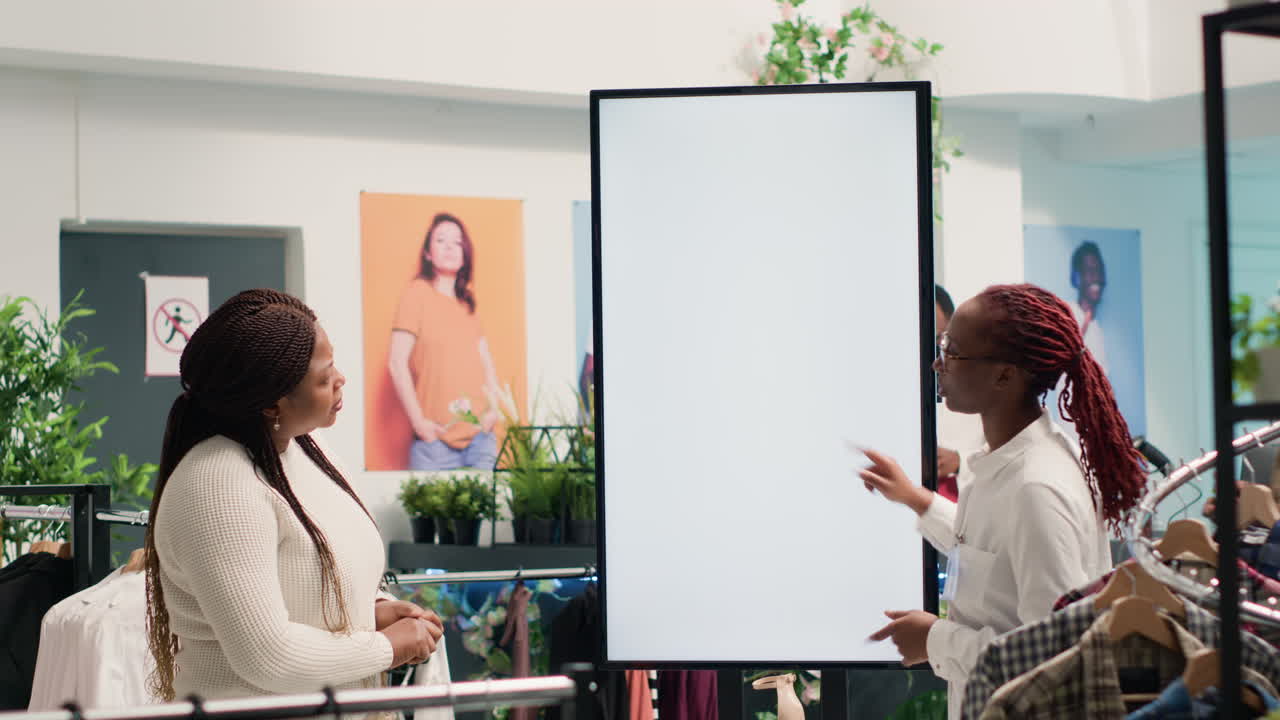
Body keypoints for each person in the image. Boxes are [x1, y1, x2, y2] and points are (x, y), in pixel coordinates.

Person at [860, 284, 1145, 720]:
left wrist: (935, 640)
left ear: (1005, 376)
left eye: (952, 352)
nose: (937, 363)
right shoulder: (1010, 464)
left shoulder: (1036, 488)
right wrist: (917, 499)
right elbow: (990, 556)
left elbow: (1053, 655)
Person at [143, 289, 443, 702]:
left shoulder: (308, 450)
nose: (340, 379)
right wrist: (387, 647)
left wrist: (368, 613)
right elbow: (267, 656)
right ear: (272, 404)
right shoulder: (217, 483)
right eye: (323, 376)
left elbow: (302, 585)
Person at [389, 213, 504, 471]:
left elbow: (486, 364)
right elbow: (396, 362)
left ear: (465, 254)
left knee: (489, 499)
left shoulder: (468, 304)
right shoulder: (416, 294)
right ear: (428, 253)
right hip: (435, 444)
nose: (450, 247)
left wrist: (493, 411)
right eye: (441, 240)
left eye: (457, 242)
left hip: (481, 439)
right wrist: (419, 424)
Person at [934, 284, 983, 493]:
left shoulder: (981, 389)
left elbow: (1009, 459)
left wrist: (960, 462)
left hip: (960, 501)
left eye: (937, 339)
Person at [1070, 241, 1108, 372]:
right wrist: (1083, 326)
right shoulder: (1066, 315)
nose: (1096, 276)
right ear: (1076, 277)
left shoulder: (1097, 329)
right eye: (1089, 270)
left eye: (1099, 270)